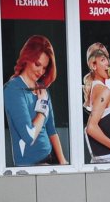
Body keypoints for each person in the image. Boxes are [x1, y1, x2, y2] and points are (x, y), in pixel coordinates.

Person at [4, 34, 67, 166]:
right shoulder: (13, 89)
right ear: (27, 58)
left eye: (44, 68)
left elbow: (51, 130)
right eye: (37, 64)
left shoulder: (42, 90)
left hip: (51, 158)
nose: (40, 71)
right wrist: (42, 106)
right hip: (30, 164)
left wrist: (63, 161)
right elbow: (29, 137)